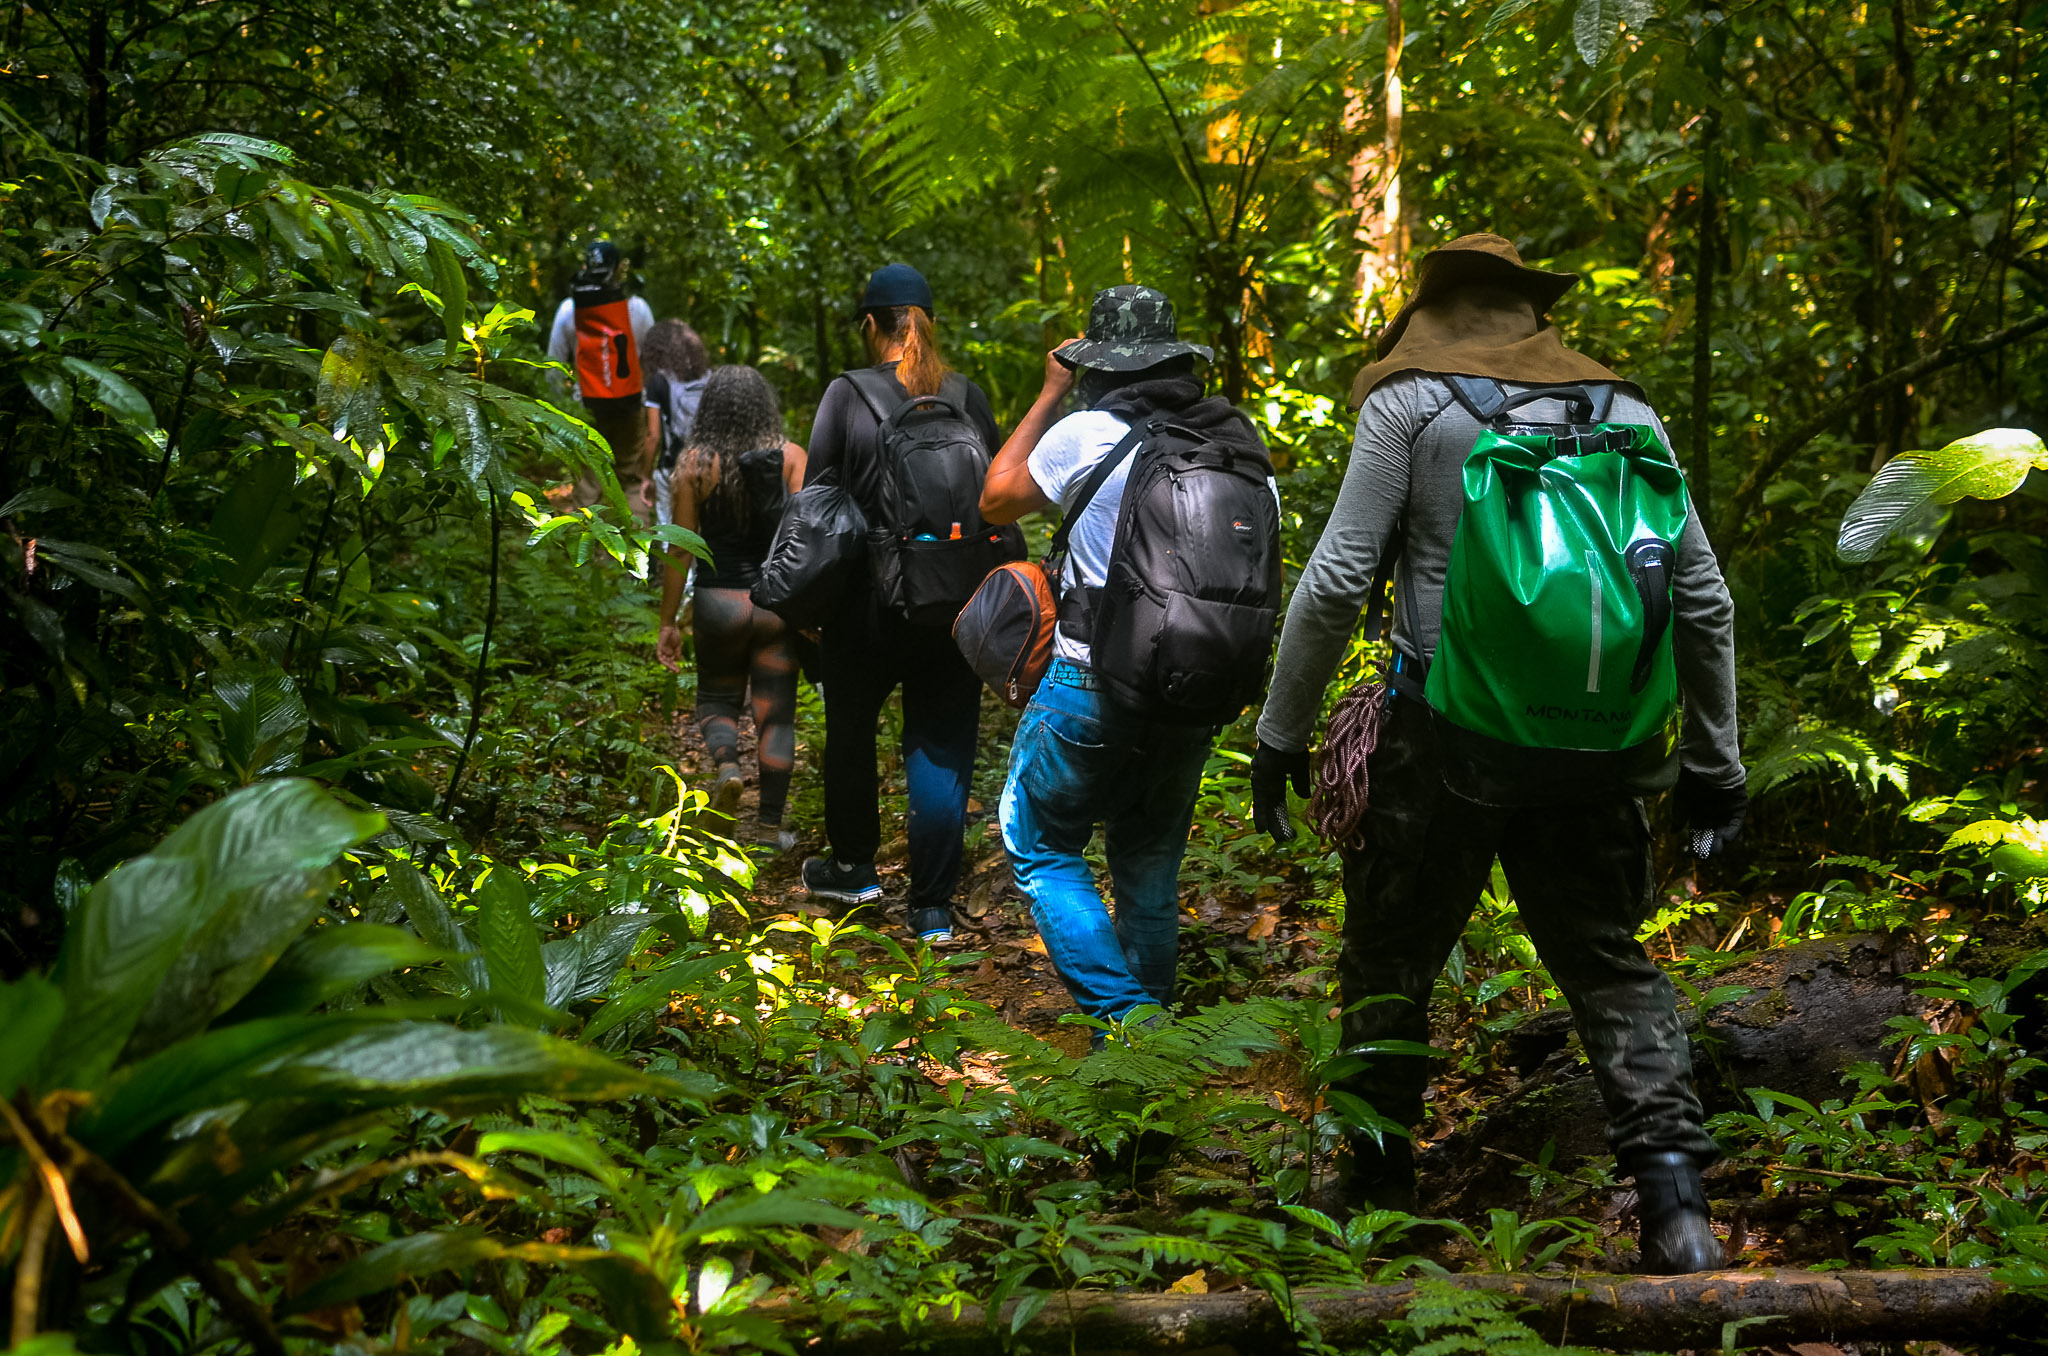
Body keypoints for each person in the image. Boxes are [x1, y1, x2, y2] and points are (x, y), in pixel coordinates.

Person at [1247, 233, 1747, 1273]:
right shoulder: (1625, 412)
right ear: (1529, 312)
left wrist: (1278, 736)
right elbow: (1701, 596)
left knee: (1390, 960)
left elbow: (1338, 579)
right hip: (1596, 745)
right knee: (1608, 967)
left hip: (1444, 736)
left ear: (1429, 311)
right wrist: (1714, 761)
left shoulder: (1410, 406)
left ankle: (1375, 1191)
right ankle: (1675, 1207)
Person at [980, 284, 1268, 1033]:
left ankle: (1132, 1019)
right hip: (1188, 689)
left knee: (1040, 846)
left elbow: (996, 500)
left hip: (1088, 681)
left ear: (1098, 368)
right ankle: (1154, 1059)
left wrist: (1048, 391)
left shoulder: (1086, 433)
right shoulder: (1240, 447)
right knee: (1148, 866)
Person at [799, 263, 1001, 943]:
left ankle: (855, 868)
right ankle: (931, 907)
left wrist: (804, 603)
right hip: (951, 601)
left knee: (851, 732)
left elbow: (817, 503)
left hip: (865, 605)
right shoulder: (967, 398)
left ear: (870, 325)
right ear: (928, 321)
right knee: (941, 746)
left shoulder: (845, 396)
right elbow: (995, 502)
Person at [654, 366, 806, 851]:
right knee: (776, 715)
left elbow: (680, 549)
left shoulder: (694, 464)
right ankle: (767, 830)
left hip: (718, 602)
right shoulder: (792, 458)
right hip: (775, 605)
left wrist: (667, 620)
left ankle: (727, 767)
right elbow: (806, 540)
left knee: (716, 701)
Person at [547, 240, 656, 516]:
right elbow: (651, 362)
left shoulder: (569, 310)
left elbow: (553, 367)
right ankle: (635, 553)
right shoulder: (638, 308)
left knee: (587, 481)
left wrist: (563, 410)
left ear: (585, 266)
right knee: (631, 481)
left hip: (587, 408)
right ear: (620, 269)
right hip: (631, 405)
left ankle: (587, 552)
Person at [640, 320, 712, 528]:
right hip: (711, 464)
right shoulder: (709, 377)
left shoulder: (658, 381)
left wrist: (646, 476)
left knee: (671, 531)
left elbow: (653, 435)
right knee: (703, 530)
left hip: (673, 467)